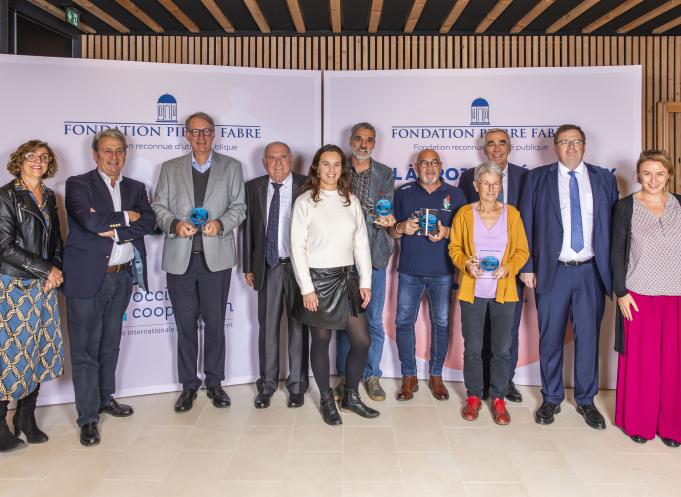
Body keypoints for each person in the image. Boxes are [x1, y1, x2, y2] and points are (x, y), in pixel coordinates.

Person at [519, 124, 618, 429]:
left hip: (591, 271)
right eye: (564, 142)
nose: (571, 147)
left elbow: (614, 229)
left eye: (576, 142)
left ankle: (586, 401)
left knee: (588, 338)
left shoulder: (604, 178)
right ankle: (551, 398)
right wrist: (528, 266)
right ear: (555, 147)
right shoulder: (537, 178)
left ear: (584, 146)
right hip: (553, 271)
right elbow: (526, 224)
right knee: (550, 339)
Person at [63, 129, 155, 446]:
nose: (113, 157)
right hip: (89, 277)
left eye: (118, 151)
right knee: (86, 351)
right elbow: (89, 223)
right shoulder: (78, 184)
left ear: (125, 154)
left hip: (122, 275)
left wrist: (112, 226)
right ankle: (88, 418)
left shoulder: (136, 187)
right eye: (107, 151)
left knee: (110, 344)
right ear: (95, 154)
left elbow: (150, 222)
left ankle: (105, 398)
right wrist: (127, 218)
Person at [153, 112, 246, 413]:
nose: (201, 137)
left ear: (214, 134)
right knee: (185, 326)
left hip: (216, 259)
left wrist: (222, 223)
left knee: (216, 325)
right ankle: (188, 386)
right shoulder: (169, 168)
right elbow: (158, 206)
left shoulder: (232, 167)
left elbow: (240, 207)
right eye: (195, 132)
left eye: (206, 131)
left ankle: (215, 383)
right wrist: (173, 224)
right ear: (187, 135)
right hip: (180, 259)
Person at [290, 144, 377, 425]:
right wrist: (306, 288)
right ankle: (327, 400)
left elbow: (361, 244)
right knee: (322, 341)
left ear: (343, 168)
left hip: (347, 277)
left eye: (337, 164)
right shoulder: (305, 201)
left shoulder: (350, 201)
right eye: (326, 164)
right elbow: (297, 247)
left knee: (362, 341)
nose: (331, 169)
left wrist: (365, 281)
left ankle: (351, 395)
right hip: (318, 280)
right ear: (317, 167)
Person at [449, 162, 529, 425]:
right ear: (476, 186)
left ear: (501, 186)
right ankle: (473, 396)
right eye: (486, 183)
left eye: (496, 183)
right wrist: (465, 263)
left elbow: (522, 252)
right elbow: (455, 248)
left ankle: (498, 397)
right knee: (472, 348)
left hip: (503, 292)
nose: (491, 188)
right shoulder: (463, 214)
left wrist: (509, 268)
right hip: (473, 292)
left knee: (501, 349)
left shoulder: (513, 214)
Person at [611, 149, 681, 447]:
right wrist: (621, 292)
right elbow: (615, 251)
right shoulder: (626, 207)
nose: (653, 179)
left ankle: (671, 426)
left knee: (674, 363)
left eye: (660, 173)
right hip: (638, 293)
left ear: (669, 175)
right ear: (638, 175)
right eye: (647, 173)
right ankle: (638, 422)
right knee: (642, 361)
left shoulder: (680, 205)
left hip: (676, 294)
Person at [0, 140, 64, 452]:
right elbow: (3, 246)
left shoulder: (50, 196)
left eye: (43, 157)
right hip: (13, 285)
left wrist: (57, 272)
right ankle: (0, 425)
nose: (37, 162)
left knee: (37, 349)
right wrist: (44, 270)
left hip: (44, 286)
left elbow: (55, 242)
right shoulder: (6, 195)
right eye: (30, 156)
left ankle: (26, 419)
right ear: (19, 161)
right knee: (9, 356)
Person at [388, 148, 467, 401]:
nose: (430, 168)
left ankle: (436, 376)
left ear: (441, 166)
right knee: (403, 323)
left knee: (441, 324)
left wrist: (447, 233)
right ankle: (409, 376)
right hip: (410, 270)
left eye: (434, 163)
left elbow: (466, 233)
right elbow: (392, 232)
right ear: (416, 167)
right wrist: (401, 227)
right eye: (424, 163)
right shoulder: (404, 193)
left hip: (443, 271)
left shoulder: (455, 194)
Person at [243, 142, 309, 409]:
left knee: (298, 327)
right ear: (264, 161)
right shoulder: (254, 187)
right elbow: (248, 229)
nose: (278, 163)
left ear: (291, 159)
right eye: (272, 158)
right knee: (267, 328)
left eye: (283, 157)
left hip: (298, 269)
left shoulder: (306, 185)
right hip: (268, 267)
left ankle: (297, 386)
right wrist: (248, 266)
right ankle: (267, 384)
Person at [334, 122, 395, 402]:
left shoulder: (384, 173)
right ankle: (347, 377)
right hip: (341, 257)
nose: (363, 144)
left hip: (374, 255)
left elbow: (386, 210)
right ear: (350, 141)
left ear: (374, 144)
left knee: (372, 321)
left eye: (369, 140)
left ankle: (372, 375)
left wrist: (388, 221)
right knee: (345, 320)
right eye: (358, 139)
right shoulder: (336, 169)